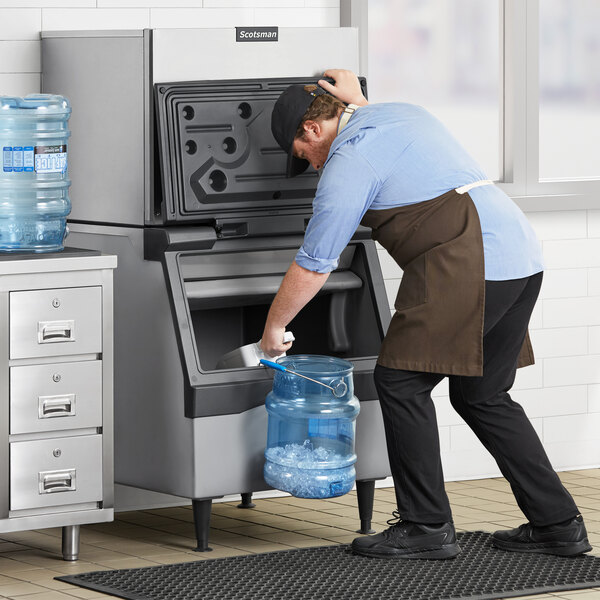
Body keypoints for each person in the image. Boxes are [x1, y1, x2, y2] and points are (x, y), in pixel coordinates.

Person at [261, 69, 591, 560]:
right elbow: (367, 117)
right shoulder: (400, 114)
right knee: (484, 396)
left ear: (311, 130)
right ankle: (559, 526)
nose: (309, 167)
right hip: (519, 257)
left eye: (302, 156)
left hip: (470, 261)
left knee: (399, 381)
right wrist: (354, 97)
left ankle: (426, 526)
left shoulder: (349, 163)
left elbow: (315, 263)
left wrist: (273, 328)